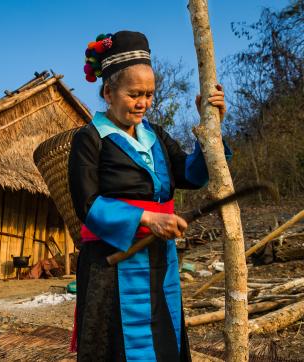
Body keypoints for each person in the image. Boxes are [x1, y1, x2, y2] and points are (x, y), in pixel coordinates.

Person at [68, 31, 229, 361]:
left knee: (164, 339)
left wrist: (210, 128)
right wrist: (146, 218)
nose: (143, 102)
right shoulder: (89, 139)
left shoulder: (155, 135)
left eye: (149, 94)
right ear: (109, 92)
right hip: (111, 266)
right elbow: (88, 205)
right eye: (134, 94)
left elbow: (191, 174)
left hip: (159, 260)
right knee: (117, 348)